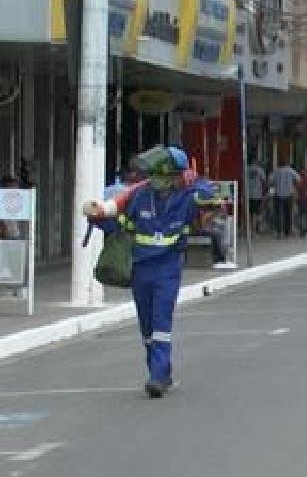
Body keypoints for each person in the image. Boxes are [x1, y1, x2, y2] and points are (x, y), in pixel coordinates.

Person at [82, 146, 216, 398]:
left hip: (168, 268)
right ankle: (161, 371)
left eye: (168, 176)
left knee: (161, 323)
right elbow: (119, 224)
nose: (160, 182)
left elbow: (210, 197)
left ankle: (157, 376)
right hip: (140, 268)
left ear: (178, 176)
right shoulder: (139, 196)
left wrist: (195, 180)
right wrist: (96, 216)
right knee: (146, 326)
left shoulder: (187, 197)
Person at [269, 161, 300, 238]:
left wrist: (274, 187)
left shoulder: (276, 171)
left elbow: (270, 181)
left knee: (278, 214)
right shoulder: (291, 170)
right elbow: (299, 179)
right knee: (288, 214)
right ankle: (287, 232)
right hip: (289, 195)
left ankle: (279, 232)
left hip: (278, 195)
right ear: (287, 164)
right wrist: (293, 186)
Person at [246, 158, 266, 234]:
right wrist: (264, 192)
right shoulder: (260, 170)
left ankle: (250, 228)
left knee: (250, 213)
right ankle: (257, 228)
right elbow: (263, 181)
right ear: (255, 161)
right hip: (258, 194)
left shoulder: (246, 169)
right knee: (258, 212)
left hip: (248, 194)